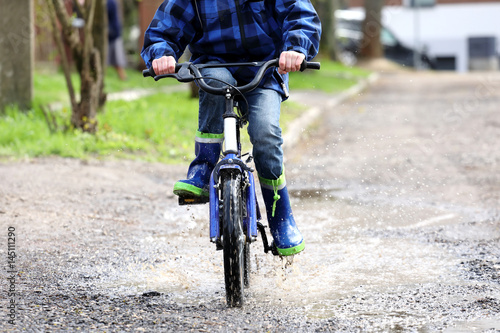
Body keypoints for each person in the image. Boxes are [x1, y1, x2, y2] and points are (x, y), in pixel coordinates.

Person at [141, 0, 321, 256]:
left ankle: (281, 219)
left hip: (266, 68)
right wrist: (161, 53)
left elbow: (300, 14)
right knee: (217, 82)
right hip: (214, 65)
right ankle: (203, 167)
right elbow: (165, 28)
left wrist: (296, 47)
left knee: (266, 134)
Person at [108, 0, 127, 81]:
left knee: (117, 60)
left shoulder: (110, 2)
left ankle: (123, 78)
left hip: (113, 34)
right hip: (110, 34)